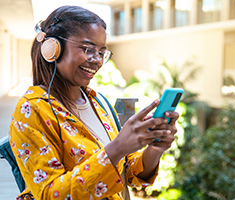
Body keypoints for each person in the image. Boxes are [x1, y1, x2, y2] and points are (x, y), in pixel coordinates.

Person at [9, 5, 179, 200]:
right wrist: (118, 147)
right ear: (52, 48)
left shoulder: (96, 101)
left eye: (101, 52)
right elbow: (49, 195)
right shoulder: (32, 110)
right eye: (88, 49)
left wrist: (155, 148)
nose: (97, 60)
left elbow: (125, 172)